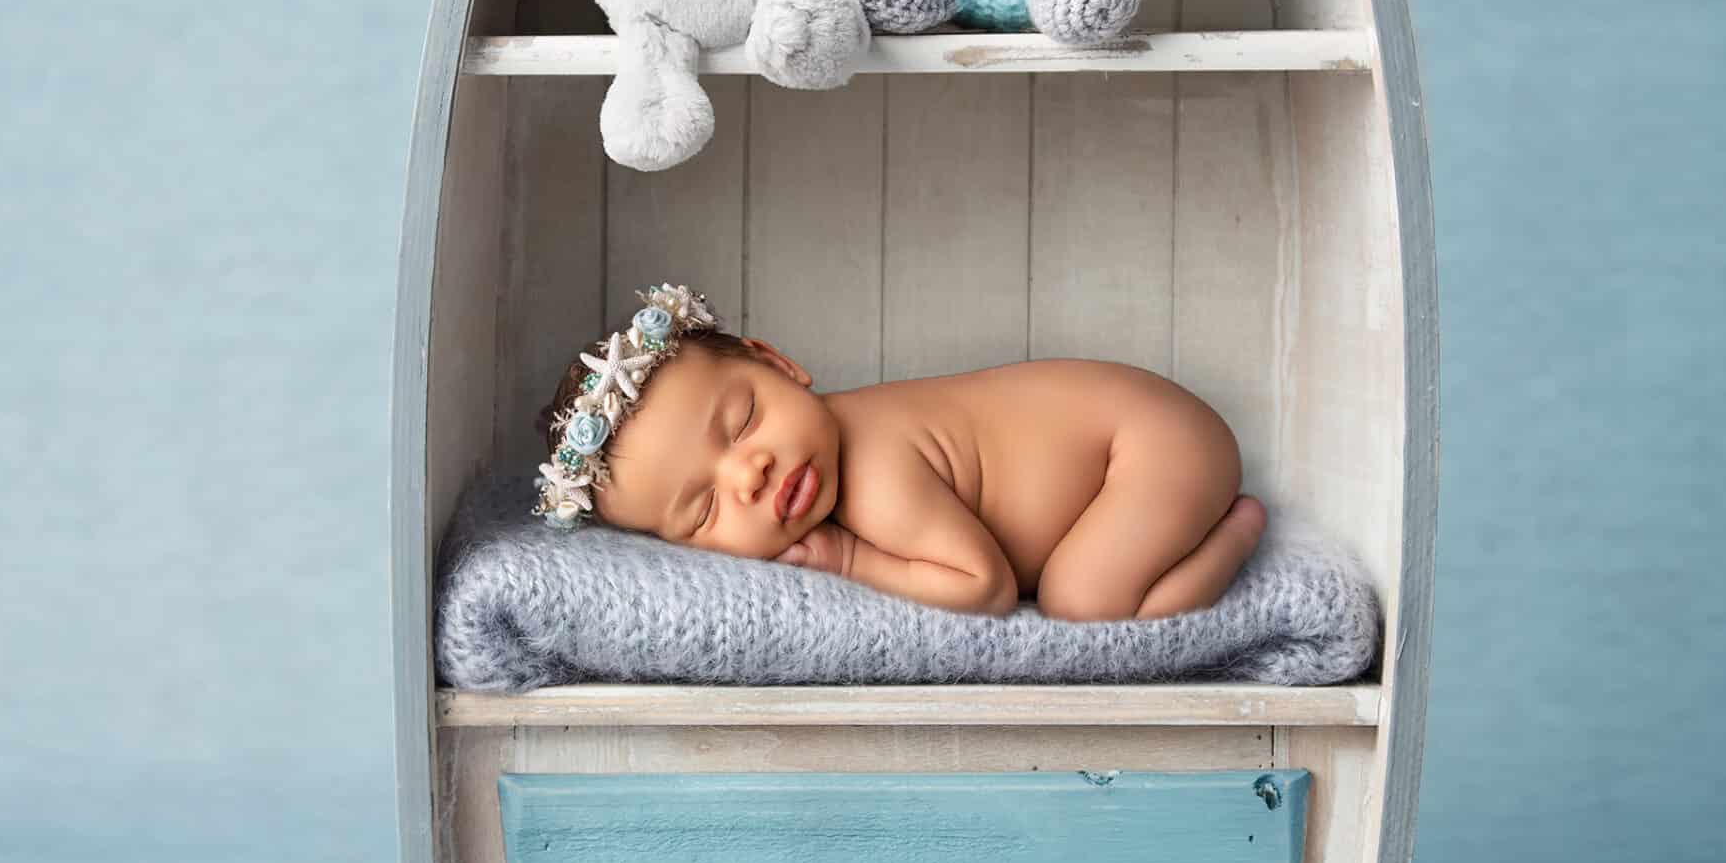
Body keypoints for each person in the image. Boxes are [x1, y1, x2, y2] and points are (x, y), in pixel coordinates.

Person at [535, 284, 1267, 623]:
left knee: (1083, 601)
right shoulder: (830, 455)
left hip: (1148, 445)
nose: (749, 474)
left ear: (780, 364)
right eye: (704, 510)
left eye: (744, 421)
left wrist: (849, 560)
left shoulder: (876, 469)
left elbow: (984, 586)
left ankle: (1236, 531)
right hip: (1135, 437)